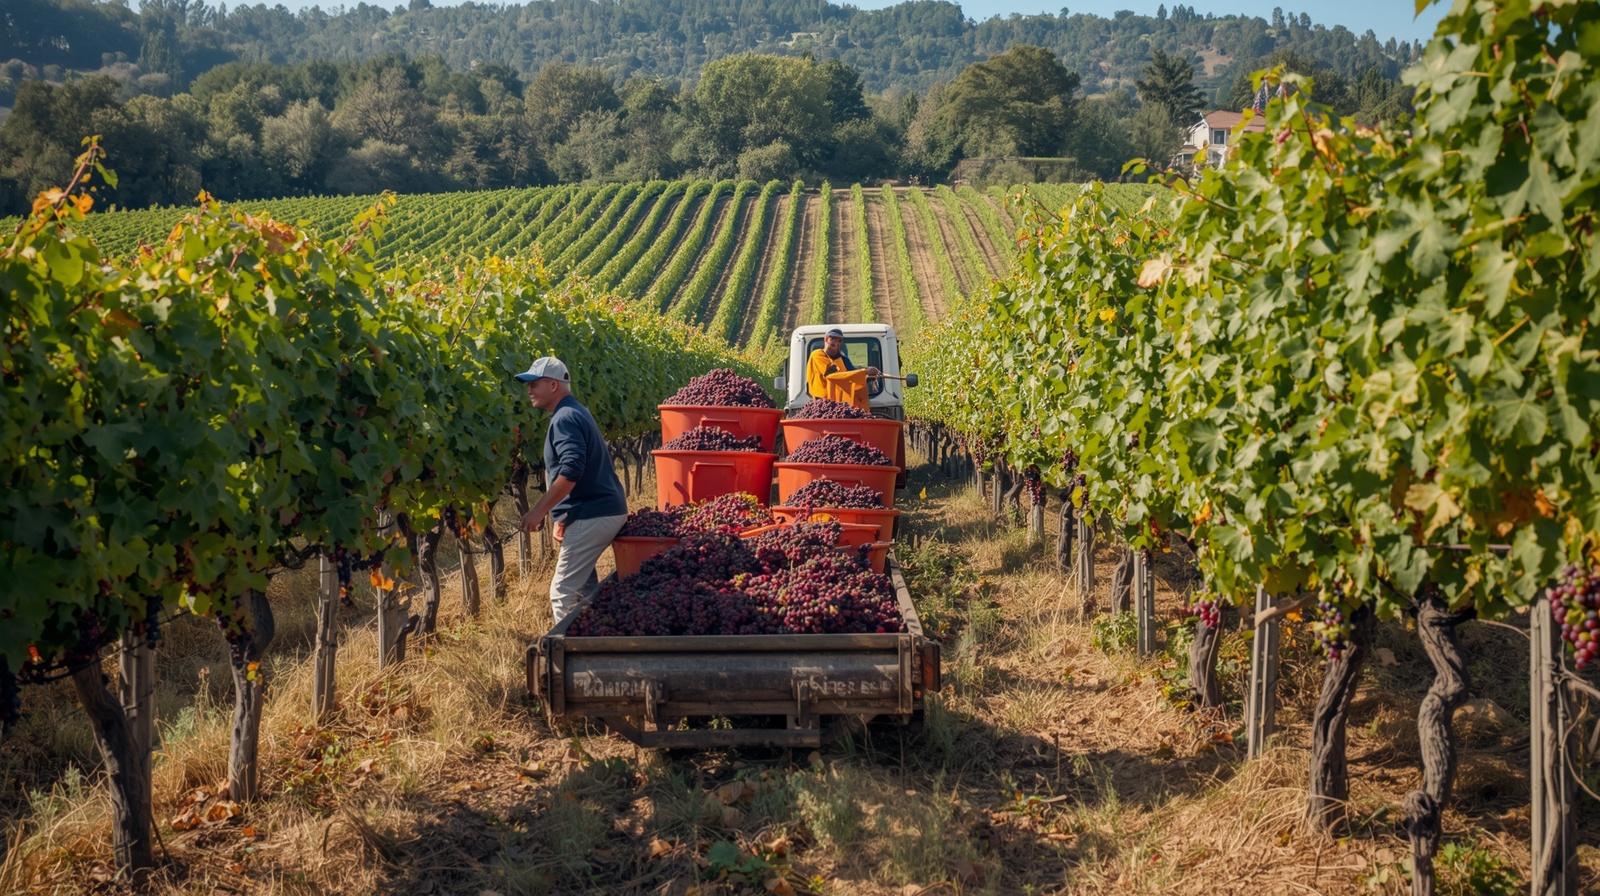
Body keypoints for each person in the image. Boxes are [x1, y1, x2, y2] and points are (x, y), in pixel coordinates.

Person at [516, 356, 628, 622]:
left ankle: (572, 658)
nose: (529, 390)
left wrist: (538, 512)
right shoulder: (575, 411)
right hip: (596, 511)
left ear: (554, 385)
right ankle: (596, 640)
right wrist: (563, 516)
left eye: (535, 383)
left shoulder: (565, 417)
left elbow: (571, 471)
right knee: (583, 590)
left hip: (595, 513)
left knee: (562, 592)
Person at [806, 327, 880, 400]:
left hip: (839, 401)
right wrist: (865, 371)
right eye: (832, 339)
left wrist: (868, 374)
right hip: (823, 402)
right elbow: (833, 375)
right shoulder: (817, 354)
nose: (836, 342)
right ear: (825, 339)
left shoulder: (841, 358)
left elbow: (850, 373)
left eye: (839, 340)